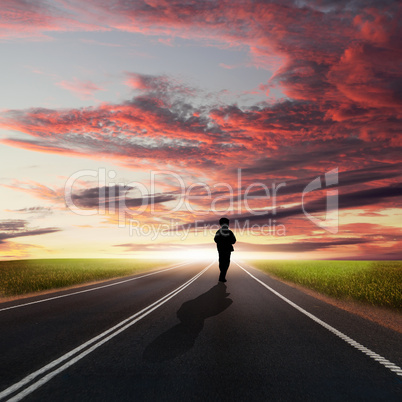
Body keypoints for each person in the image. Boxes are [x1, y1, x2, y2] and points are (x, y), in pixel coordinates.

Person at [214, 217, 236, 282]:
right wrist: (227, 241)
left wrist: (222, 242)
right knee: (226, 262)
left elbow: (216, 240)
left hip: (221, 249)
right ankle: (222, 276)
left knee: (221, 262)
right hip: (226, 250)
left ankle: (222, 275)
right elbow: (233, 241)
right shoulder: (229, 232)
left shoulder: (219, 231)